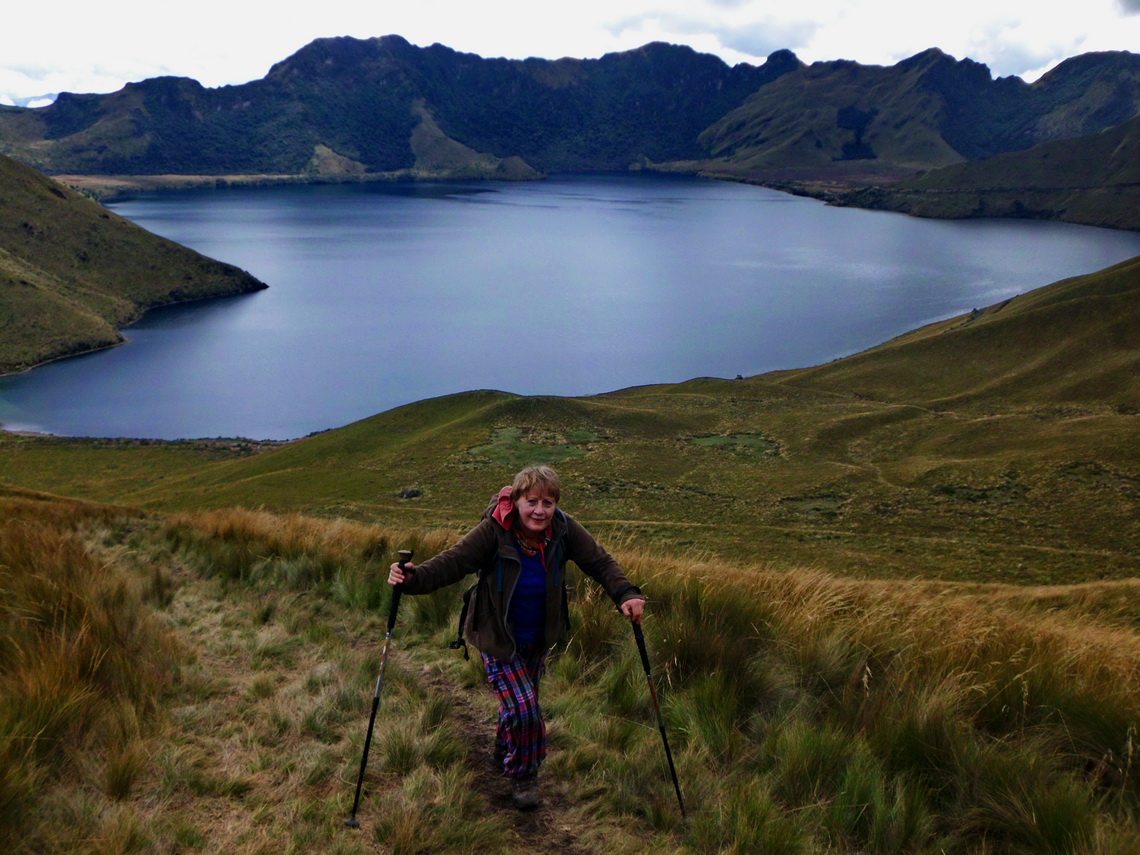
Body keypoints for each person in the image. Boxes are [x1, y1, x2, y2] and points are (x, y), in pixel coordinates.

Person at [388, 464, 645, 810]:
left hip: (538, 637)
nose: (540, 510)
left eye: (548, 503)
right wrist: (413, 579)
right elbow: (455, 562)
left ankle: (503, 747)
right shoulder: (493, 530)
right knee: (526, 709)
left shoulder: (564, 529)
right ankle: (524, 773)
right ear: (517, 499)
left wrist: (625, 593)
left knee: (521, 702)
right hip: (497, 636)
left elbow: (599, 562)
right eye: (533, 501)